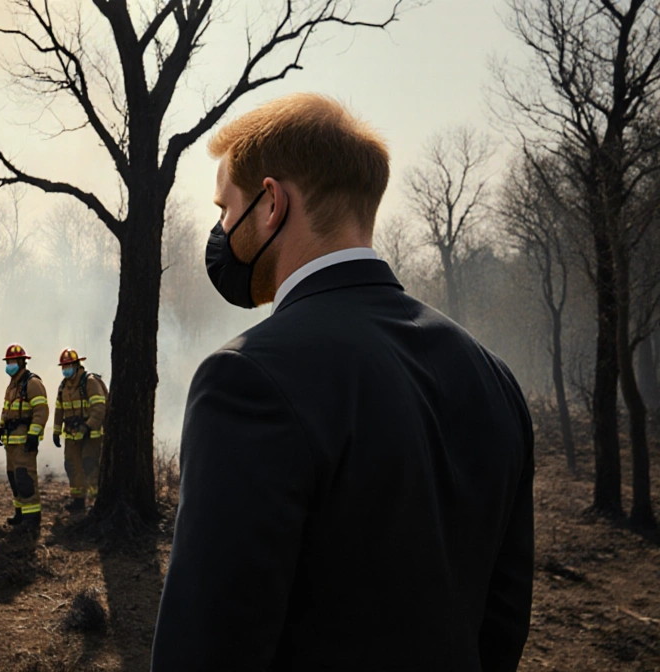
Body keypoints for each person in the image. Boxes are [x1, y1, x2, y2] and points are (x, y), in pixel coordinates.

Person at [152, 93, 534, 671]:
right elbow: (503, 626)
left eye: (226, 210)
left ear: (272, 204)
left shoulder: (247, 378)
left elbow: (207, 650)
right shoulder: (492, 376)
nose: (221, 230)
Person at [0, 343, 49, 534]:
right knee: (14, 477)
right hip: (11, 442)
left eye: (13, 361)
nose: (9, 365)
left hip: (25, 442)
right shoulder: (13, 385)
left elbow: (41, 411)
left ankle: (32, 518)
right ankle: (20, 512)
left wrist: (34, 434)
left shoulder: (32, 383)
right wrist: (0, 429)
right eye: (7, 361)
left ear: (22, 362)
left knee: (25, 479)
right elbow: (6, 410)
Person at [52, 349, 107, 511]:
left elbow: (99, 407)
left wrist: (88, 426)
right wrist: (56, 431)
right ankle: (78, 500)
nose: (65, 369)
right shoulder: (63, 386)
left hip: (91, 434)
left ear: (76, 365)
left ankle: (96, 501)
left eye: (68, 365)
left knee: (89, 464)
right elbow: (59, 410)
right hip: (71, 435)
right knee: (72, 465)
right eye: (63, 366)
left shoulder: (89, 382)